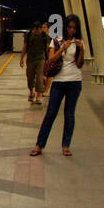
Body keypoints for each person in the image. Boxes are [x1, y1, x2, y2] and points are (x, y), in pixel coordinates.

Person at [29, 14, 85, 157]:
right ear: (65, 27)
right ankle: (39, 145)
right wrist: (62, 48)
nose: (72, 30)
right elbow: (51, 60)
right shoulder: (56, 41)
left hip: (74, 81)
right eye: (69, 27)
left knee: (69, 114)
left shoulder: (78, 42)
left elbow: (79, 64)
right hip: (59, 82)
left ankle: (66, 146)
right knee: (50, 114)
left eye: (74, 27)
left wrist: (82, 49)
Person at [20, 20, 48, 104]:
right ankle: (31, 92)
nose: (37, 32)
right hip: (30, 59)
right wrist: (21, 59)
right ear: (33, 29)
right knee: (30, 77)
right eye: (35, 30)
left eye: (38, 30)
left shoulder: (44, 36)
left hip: (41, 58)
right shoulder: (29, 35)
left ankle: (38, 96)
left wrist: (48, 60)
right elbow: (24, 47)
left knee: (39, 77)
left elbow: (46, 48)